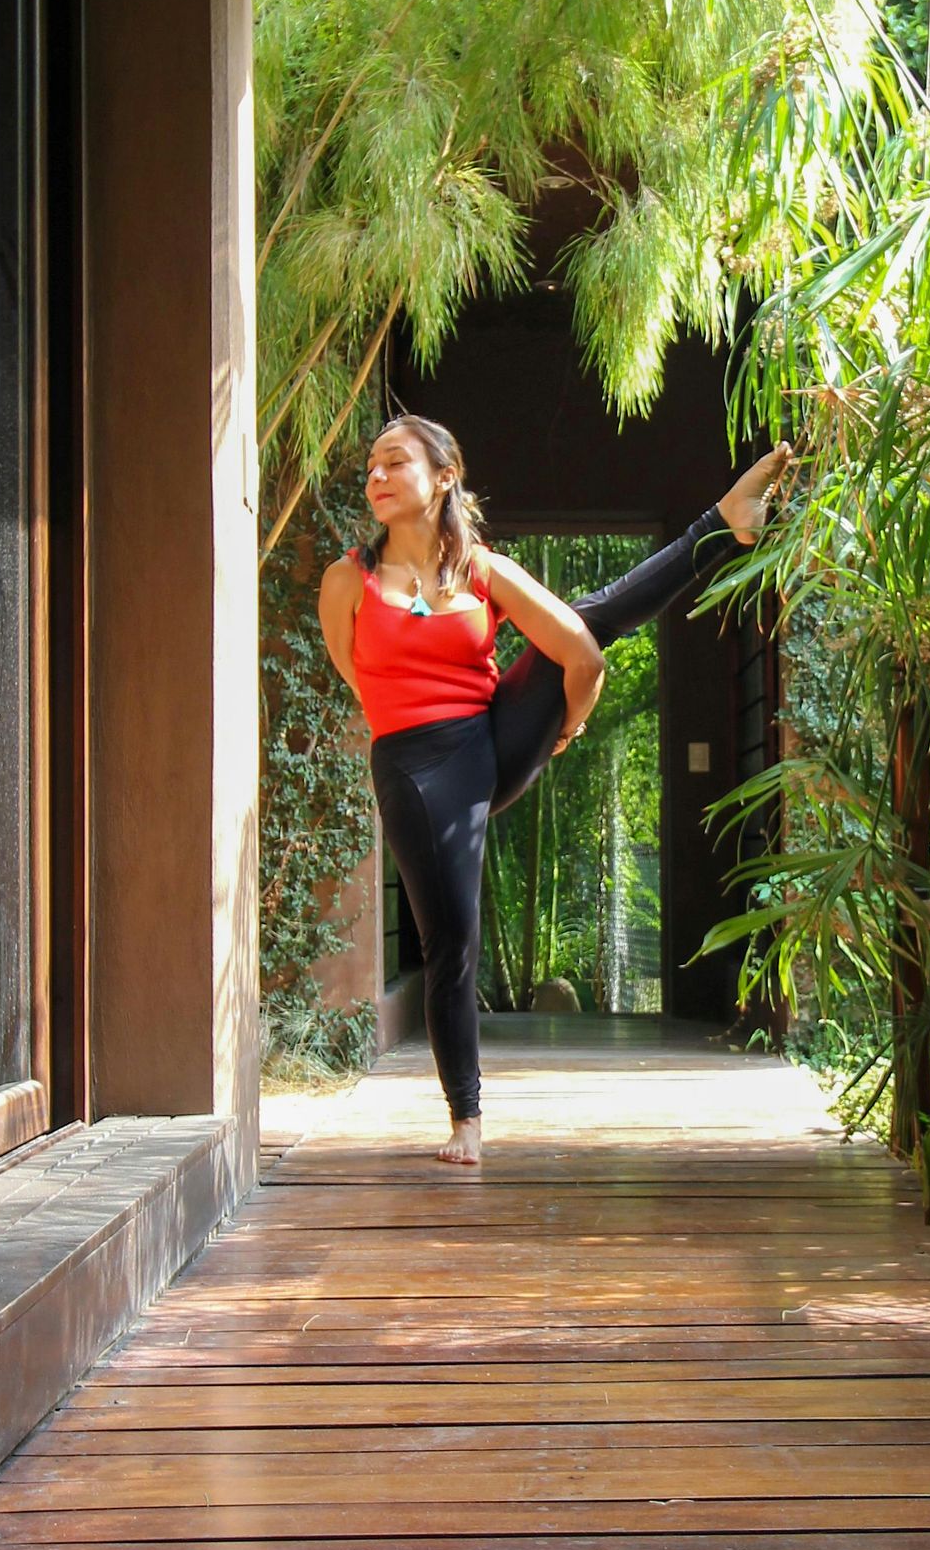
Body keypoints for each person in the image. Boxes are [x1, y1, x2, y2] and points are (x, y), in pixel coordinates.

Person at [319, 415, 791, 1164]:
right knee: (453, 942)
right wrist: (424, 723)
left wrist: (563, 725)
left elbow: (580, 653)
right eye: (370, 466)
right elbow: (357, 677)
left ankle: (723, 523)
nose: (375, 477)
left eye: (395, 462)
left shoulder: (482, 570)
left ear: (444, 477)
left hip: (490, 740)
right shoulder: (349, 580)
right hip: (412, 767)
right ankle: (465, 1118)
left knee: (591, 615)